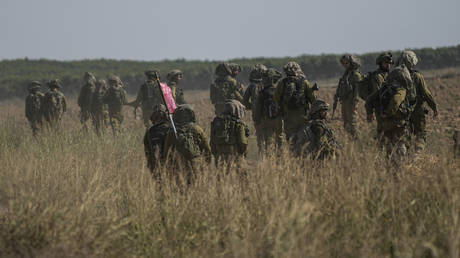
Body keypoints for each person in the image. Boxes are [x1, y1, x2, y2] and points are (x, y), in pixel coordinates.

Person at [378, 51, 417, 161]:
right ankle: (399, 167)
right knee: (400, 144)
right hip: (397, 122)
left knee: (389, 145)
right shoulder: (401, 90)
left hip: (387, 122)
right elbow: (395, 102)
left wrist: (382, 114)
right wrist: (388, 112)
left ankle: (389, 165)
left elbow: (372, 99)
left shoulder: (386, 88)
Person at [164, 105, 211, 184]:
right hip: (195, 164)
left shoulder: (173, 132)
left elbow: (167, 152)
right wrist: (207, 163)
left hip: (178, 166)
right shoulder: (197, 129)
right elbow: (206, 148)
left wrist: (169, 167)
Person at [274, 61, 317, 142]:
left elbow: (276, 99)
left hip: (288, 116)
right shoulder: (305, 82)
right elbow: (313, 99)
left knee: (291, 140)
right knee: (304, 139)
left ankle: (293, 154)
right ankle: (303, 154)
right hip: (303, 116)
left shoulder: (281, 83)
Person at [408, 55, 438, 153]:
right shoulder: (417, 76)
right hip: (417, 110)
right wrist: (434, 107)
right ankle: (417, 155)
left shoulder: (395, 76)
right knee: (421, 134)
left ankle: (404, 156)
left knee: (405, 135)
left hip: (402, 111)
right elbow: (426, 93)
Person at [253, 68, 284, 151]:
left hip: (266, 119)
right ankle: (280, 157)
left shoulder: (262, 93)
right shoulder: (278, 91)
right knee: (279, 138)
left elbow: (258, 108)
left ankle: (269, 158)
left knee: (268, 140)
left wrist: (257, 121)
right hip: (278, 119)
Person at [210, 100, 249, 165]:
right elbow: (243, 142)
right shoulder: (238, 124)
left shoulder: (216, 122)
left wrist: (216, 155)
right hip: (234, 156)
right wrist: (242, 154)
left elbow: (212, 142)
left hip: (219, 157)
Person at [333, 55, 363, 139]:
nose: (345, 65)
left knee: (352, 124)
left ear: (351, 63)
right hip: (344, 102)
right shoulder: (346, 74)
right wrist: (337, 95)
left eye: (347, 63)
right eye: (344, 63)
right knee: (346, 124)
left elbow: (357, 91)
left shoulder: (356, 75)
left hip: (351, 103)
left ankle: (357, 141)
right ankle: (351, 140)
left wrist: (355, 103)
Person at [365, 53, 394, 140]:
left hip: (388, 106)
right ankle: (378, 147)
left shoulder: (388, 75)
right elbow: (379, 93)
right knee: (382, 130)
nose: (388, 65)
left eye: (389, 63)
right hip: (380, 107)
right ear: (381, 64)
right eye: (386, 63)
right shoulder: (378, 77)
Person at [243, 64, 267, 149]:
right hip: (269, 115)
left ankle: (261, 155)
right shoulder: (268, 84)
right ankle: (270, 154)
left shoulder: (251, 86)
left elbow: (244, 101)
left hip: (257, 115)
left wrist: (252, 106)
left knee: (259, 136)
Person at [144, 104, 171, 178]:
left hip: (155, 166)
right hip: (171, 165)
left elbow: (147, 152)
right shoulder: (171, 129)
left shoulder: (150, 131)